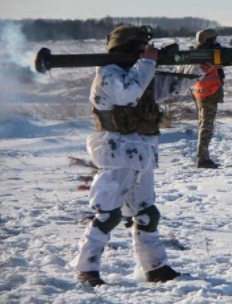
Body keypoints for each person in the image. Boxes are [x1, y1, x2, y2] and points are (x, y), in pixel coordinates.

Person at [72, 24, 206, 287]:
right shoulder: (109, 74)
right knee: (108, 215)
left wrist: (199, 69)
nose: (145, 51)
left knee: (147, 214)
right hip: (117, 151)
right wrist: (146, 62)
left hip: (142, 152)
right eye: (140, 47)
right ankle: (86, 268)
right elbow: (129, 94)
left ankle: (155, 268)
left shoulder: (136, 72)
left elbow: (168, 87)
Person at [191, 29, 224, 169]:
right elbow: (219, 64)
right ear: (207, 39)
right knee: (206, 126)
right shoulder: (207, 53)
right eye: (213, 39)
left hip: (202, 91)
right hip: (209, 92)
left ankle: (202, 157)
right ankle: (202, 159)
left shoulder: (197, 51)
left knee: (203, 125)